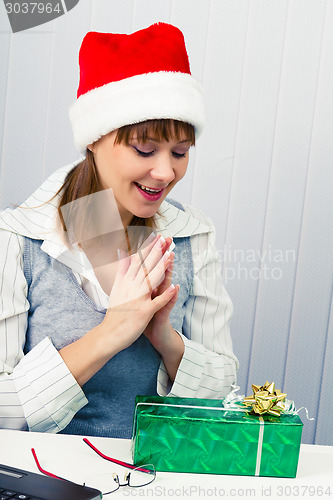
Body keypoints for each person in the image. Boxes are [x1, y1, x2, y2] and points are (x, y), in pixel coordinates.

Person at [0, 22, 239, 438]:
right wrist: (112, 331)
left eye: (180, 152)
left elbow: (220, 395)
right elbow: (3, 411)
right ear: (93, 139)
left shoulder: (193, 234)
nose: (166, 172)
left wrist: (165, 338)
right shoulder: (18, 237)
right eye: (144, 149)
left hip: (153, 477)